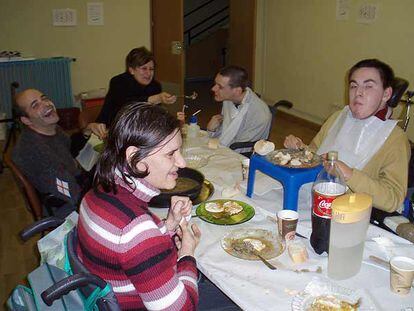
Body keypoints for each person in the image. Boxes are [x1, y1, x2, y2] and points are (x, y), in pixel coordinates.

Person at [76, 103, 200, 310]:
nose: (182, 162)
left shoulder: (95, 193)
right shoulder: (136, 229)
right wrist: (187, 254)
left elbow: (127, 248)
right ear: (134, 157)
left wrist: (168, 226)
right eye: (171, 154)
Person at [284, 59, 411, 224]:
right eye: (353, 86)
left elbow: (393, 199)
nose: (358, 92)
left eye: (368, 86)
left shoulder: (395, 139)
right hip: (312, 199)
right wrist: (300, 149)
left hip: (349, 218)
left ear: (386, 94)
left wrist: (349, 174)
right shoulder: (338, 117)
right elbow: (315, 154)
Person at [12, 89, 93, 217]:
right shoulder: (34, 151)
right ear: (26, 120)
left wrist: (85, 133)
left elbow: (68, 149)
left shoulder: (51, 129)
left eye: (44, 98)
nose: (46, 104)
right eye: (35, 105)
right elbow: (72, 193)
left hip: (74, 183)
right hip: (64, 207)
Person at [88, 47, 177, 138]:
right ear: (131, 70)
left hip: (137, 132)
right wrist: (156, 98)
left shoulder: (155, 85)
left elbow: (153, 115)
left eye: (151, 69)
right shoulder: (118, 82)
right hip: (109, 131)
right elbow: (127, 105)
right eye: (144, 68)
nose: (148, 73)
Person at [207, 65, 272, 148]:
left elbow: (241, 149)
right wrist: (211, 130)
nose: (213, 88)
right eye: (215, 84)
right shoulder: (229, 100)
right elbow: (225, 133)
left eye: (220, 87)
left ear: (237, 91)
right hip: (225, 149)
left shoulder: (259, 114)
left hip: (240, 156)